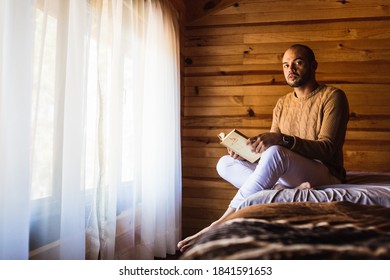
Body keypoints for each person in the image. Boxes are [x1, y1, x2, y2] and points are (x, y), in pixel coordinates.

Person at [177, 44, 349, 252]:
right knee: (225, 164)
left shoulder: (332, 97)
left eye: (298, 63)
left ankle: (222, 222)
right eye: (285, 65)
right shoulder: (282, 103)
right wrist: (247, 154)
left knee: (276, 152)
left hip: (324, 172)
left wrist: (281, 140)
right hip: (291, 173)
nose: (290, 69)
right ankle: (286, 190)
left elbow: (327, 148)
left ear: (313, 66)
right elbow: (270, 152)